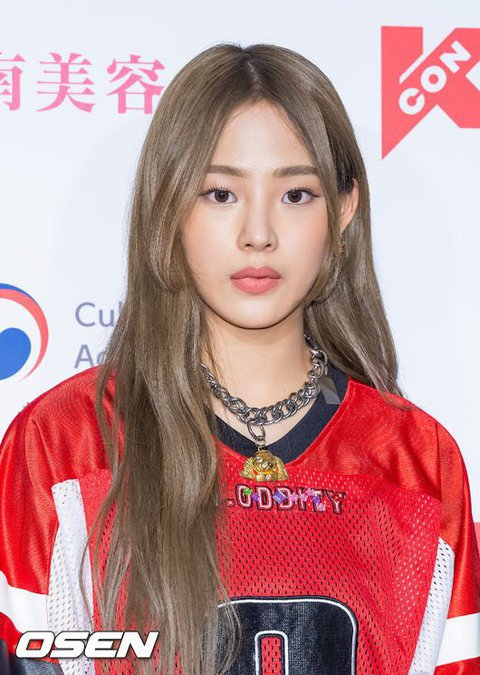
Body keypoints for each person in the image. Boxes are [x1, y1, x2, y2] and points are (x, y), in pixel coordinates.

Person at [0, 41, 479, 675]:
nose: (258, 234)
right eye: (220, 193)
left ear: (344, 209)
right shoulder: (63, 445)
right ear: (169, 207)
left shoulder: (416, 463)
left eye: (296, 194)